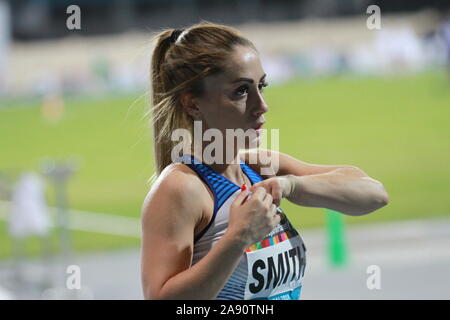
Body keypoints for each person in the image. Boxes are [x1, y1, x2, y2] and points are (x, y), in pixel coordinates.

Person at [140, 22, 389, 300]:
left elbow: (374, 194)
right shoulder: (182, 188)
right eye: (241, 91)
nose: (262, 105)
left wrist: (291, 186)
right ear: (193, 104)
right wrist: (238, 237)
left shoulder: (260, 166)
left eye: (262, 86)